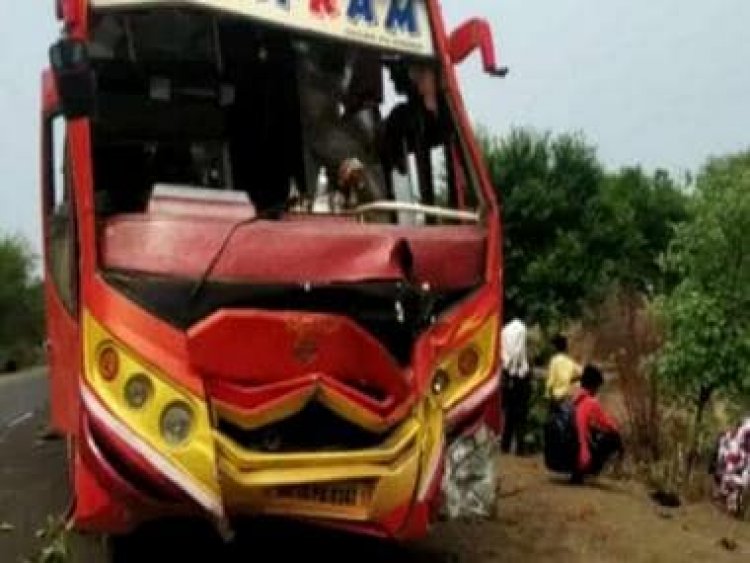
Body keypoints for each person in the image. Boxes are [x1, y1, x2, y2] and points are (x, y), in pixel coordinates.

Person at [570, 365, 622, 483]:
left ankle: (578, 470)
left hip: (573, 444)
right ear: (594, 386)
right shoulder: (591, 402)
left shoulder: (576, 397)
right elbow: (607, 423)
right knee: (613, 437)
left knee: (593, 431)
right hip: (581, 449)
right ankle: (589, 468)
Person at [500, 318, 531, 455]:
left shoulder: (504, 331)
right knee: (521, 413)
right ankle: (520, 447)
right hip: (520, 376)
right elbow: (518, 351)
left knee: (510, 413)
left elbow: (504, 353)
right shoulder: (521, 328)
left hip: (507, 376)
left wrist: (507, 368)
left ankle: (505, 445)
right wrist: (514, 368)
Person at [545, 334, 582, 407]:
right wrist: (572, 380)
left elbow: (551, 380)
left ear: (555, 347)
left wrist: (547, 394)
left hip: (557, 397)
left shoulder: (554, 361)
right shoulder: (569, 361)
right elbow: (582, 373)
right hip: (569, 396)